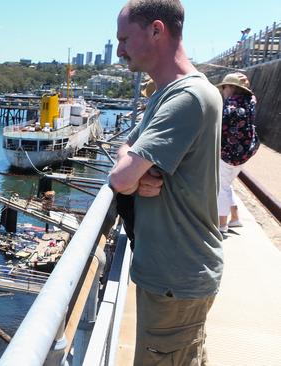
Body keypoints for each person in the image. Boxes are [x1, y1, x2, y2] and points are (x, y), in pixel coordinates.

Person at [109, 1, 224, 365]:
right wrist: (134, 171)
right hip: (170, 275)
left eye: (125, 38)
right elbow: (125, 152)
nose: (119, 50)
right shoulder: (164, 94)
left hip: (177, 276)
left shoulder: (186, 97)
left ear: (157, 30)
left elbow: (120, 176)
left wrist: (132, 174)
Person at [215, 72, 259, 233]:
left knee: (220, 187)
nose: (223, 91)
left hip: (228, 153)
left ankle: (221, 224)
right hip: (245, 152)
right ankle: (235, 218)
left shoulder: (230, 106)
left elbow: (218, 127)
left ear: (231, 87)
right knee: (226, 184)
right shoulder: (250, 102)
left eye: (224, 87)